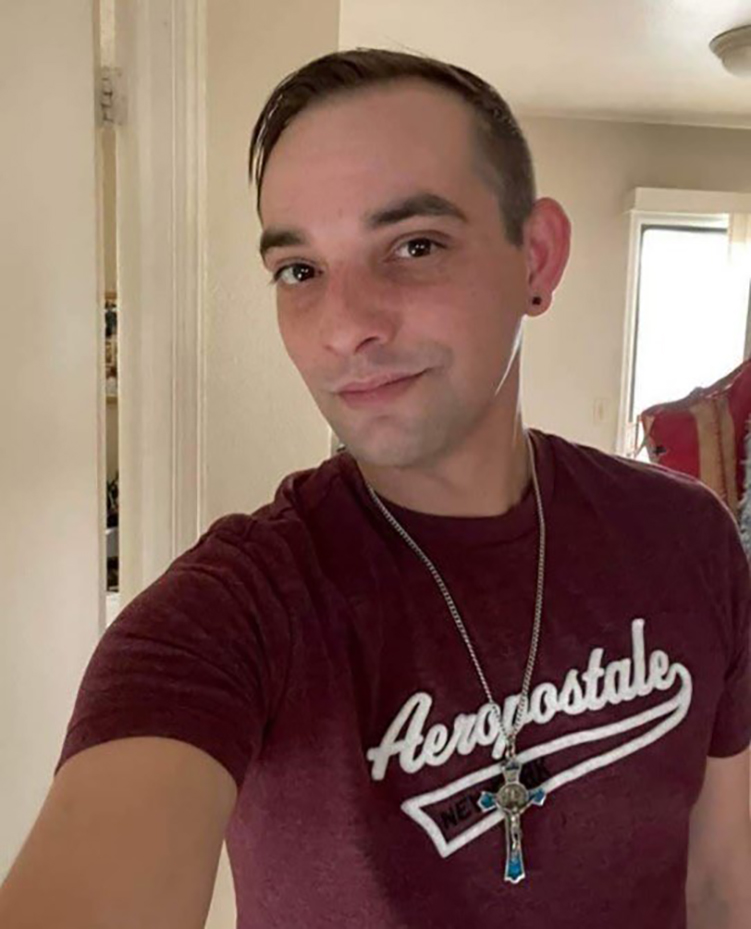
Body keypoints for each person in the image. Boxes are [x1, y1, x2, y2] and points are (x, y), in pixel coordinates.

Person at [1, 48, 749, 929]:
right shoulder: (236, 609)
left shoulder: (684, 537)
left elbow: (722, 882)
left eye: (414, 245)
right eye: (299, 269)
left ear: (536, 258)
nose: (344, 326)